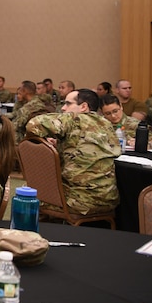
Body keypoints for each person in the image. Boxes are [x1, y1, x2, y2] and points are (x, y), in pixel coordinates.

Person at [26, 88, 120, 216]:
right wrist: (59, 143)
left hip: (79, 200)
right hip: (109, 198)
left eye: (68, 104)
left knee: (30, 198)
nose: (64, 108)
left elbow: (33, 124)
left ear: (83, 107)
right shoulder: (106, 124)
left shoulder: (74, 119)